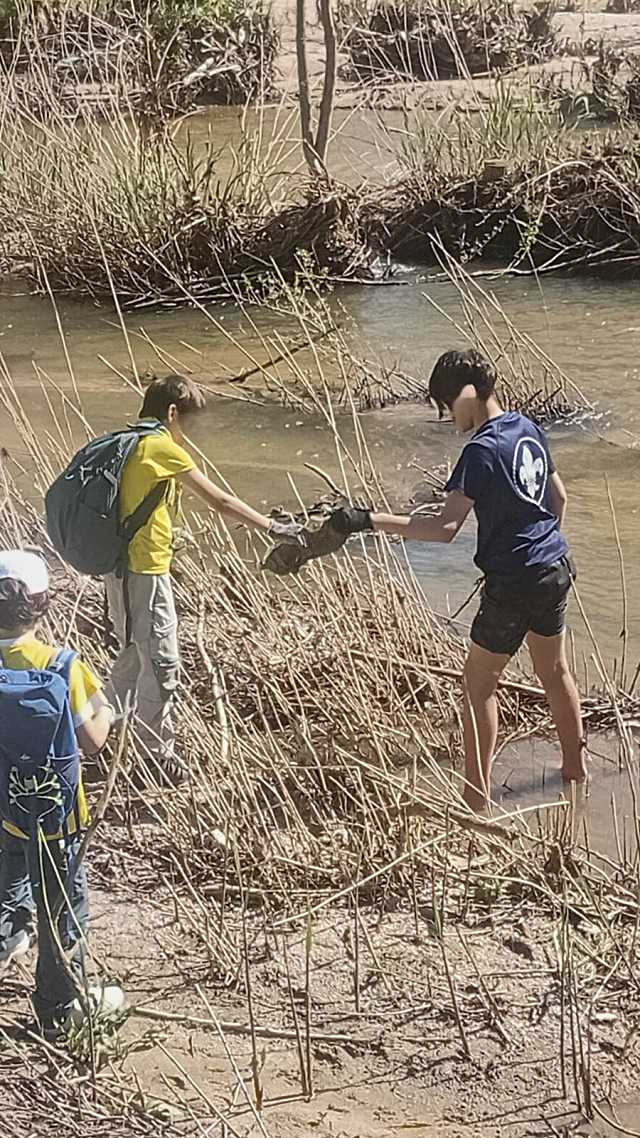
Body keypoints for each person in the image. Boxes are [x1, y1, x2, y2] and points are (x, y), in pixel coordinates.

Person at [330, 349, 586, 813]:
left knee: (479, 684)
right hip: (554, 566)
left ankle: (475, 798)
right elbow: (559, 497)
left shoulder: (480, 450)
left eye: (447, 406)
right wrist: (541, 546)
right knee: (555, 672)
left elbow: (444, 529)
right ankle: (575, 771)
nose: (448, 418)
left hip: (513, 581)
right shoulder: (528, 429)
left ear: (467, 394)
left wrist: (369, 520)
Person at [105, 374, 303, 784]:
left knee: (131, 659)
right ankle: (154, 759)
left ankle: (86, 731)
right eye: (190, 425)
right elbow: (220, 500)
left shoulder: (130, 442)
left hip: (123, 571)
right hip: (143, 573)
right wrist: (272, 527)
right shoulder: (160, 445)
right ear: (173, 413)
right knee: (162, 663)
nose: (191, 436)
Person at [0, 549, 124, 1034]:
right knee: (63, 911)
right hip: (58, 818)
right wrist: (109, 711)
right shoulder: (62, 665)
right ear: (44, 604)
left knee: (9, 895)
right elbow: (93, 741)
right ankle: (56, 1009)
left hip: (7, 810)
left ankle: (10, 939)